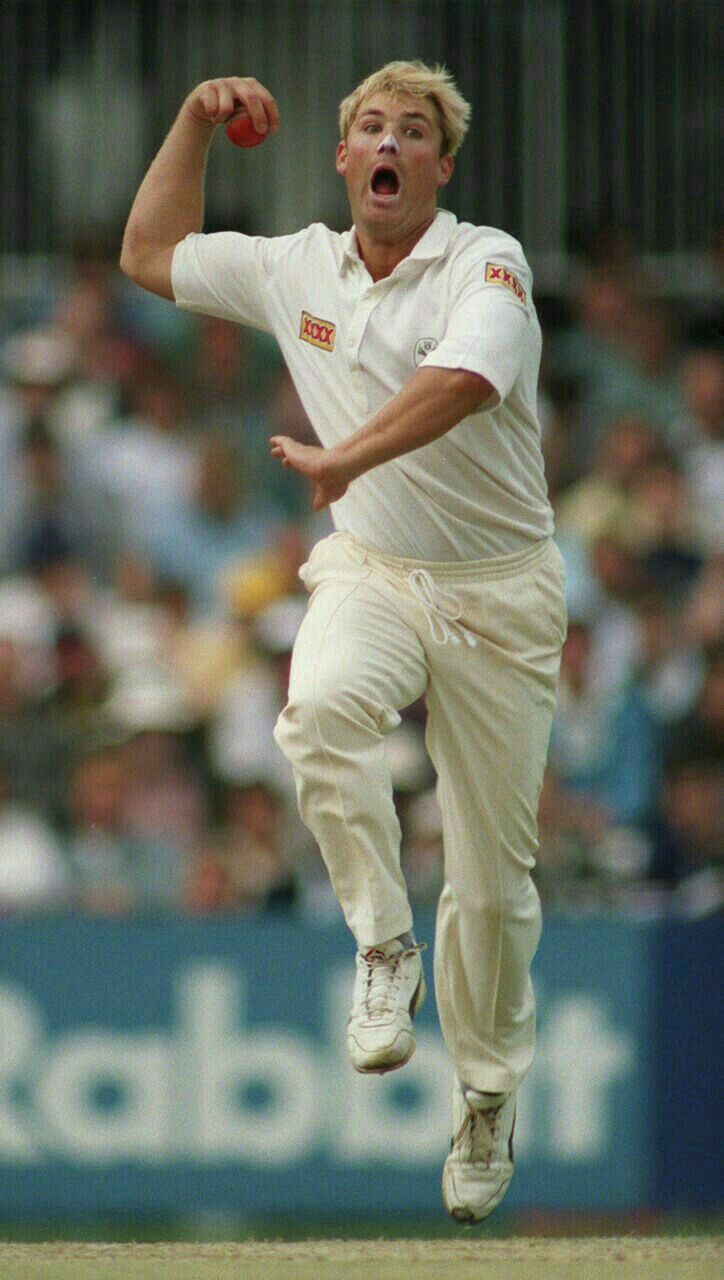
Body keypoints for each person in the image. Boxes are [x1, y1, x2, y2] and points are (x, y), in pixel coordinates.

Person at [120, 60, 567, 1223]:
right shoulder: (295, 266)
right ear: (341, 157)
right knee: (315, 710)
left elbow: (466, 378)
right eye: (370, 125)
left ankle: (484, 1092)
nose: (389, 141)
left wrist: (342, 458)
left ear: (438, 167)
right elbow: (149, 255)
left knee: (491, 880)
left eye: (412, 132)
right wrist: (191, 121)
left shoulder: (486, 259)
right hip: (372, 564)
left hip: (498, 593)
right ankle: (381, 944)